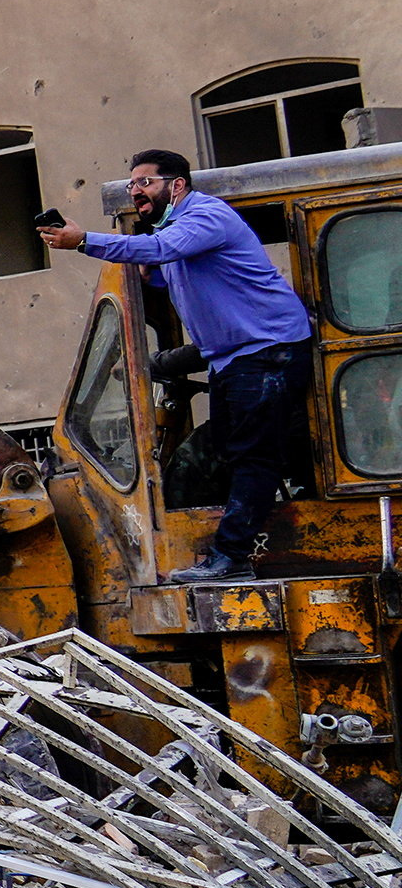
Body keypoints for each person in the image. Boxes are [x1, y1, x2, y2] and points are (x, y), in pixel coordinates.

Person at [40, 149, 316, 580]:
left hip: (268, 350)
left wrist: (85, 241)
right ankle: (231, 548)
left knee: (253, 457)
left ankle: (232, 559)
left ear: (178, 185)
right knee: (228, 450)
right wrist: (147, 275)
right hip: (232, 358)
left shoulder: (206, 217)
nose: (136, 191)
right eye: (132, 185)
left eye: (145, 183)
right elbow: (164, 269)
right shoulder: (180, 234)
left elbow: (163, 248)